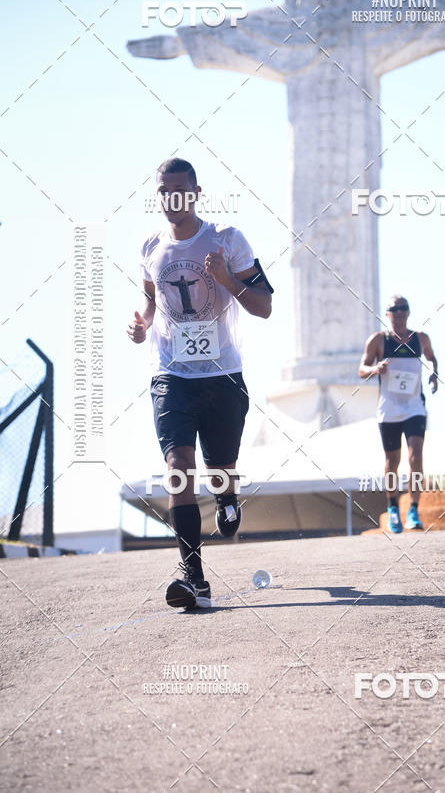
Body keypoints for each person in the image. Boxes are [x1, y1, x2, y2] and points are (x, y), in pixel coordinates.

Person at [128, 157, 273, 609]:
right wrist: (142, 323)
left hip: (223, 376)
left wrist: (226, 278)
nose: (171, 197)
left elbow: (264, 305)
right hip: (171, 376)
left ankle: (227, 497)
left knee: (221, 468)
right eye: (163, 190)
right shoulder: (150, 246)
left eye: (179, 189)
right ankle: (194, 579)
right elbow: (150, 300)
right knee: (178, 469)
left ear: (195, 192)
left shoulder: (227, 239)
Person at [358, 295, 438, 533]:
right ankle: (393, 507)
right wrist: (376, 368)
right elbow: (361, 370)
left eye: (404, 308)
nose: (400, 312)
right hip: (389, 410)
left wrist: (434, 374)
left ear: (409, 312)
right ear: (388, 313)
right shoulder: (378, 341)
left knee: (416, 457)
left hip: (414, 407)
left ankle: (413, 510)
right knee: (393, 461)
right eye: (395, 309)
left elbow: (432, 357)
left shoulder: (420, 339)